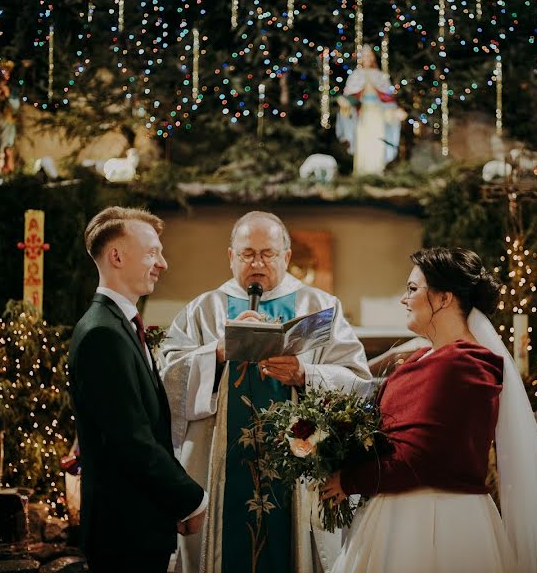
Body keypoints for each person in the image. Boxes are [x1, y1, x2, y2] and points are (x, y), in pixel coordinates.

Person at [321, 247, 537, 573]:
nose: (404, 299)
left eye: (412, 289)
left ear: (445, 298)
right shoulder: (422, 358)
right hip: (394, 517)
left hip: (437, 522)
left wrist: (350, 480)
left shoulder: (468, 364)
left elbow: (427, 457)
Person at [160, 211, 373, 573]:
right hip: (221, 470)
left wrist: (306, 374)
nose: (257, 263)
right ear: (230, 256)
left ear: (286, 257)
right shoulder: (203, 310)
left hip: (298, 470)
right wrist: (217, 353)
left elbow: (357, 381)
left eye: (267, 254)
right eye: (247, 254)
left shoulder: (320, 307)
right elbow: (168, 378)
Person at [68, 206, 207, 573]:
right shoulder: (102, 333)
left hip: (137, 521)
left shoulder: (119, 325)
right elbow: (130, 440)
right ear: (116, 256)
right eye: (152, 252)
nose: (162, 263)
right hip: (123, 531)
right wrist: (191, 500)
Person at [336, 45, 407, 176]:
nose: (367, 59)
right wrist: (346, 103)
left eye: (369, 56)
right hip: (362, 115)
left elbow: (388, 99)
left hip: (378, 114)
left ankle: (377, 172)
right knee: (363, 142)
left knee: (377, 141)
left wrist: (394, 111)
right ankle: (362, 173)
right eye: (364, 56)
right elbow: (350, 98)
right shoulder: (355, 76)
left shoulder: (380, 76)